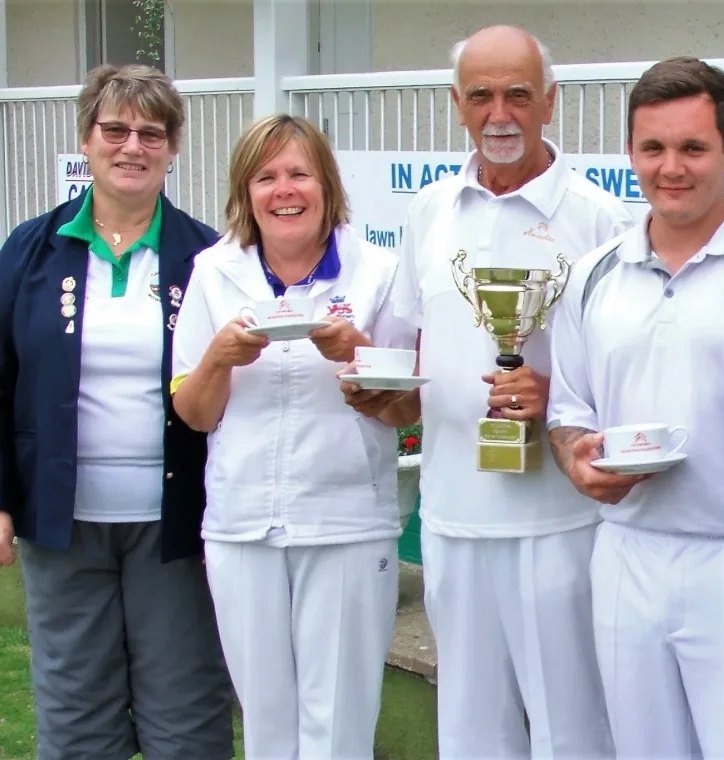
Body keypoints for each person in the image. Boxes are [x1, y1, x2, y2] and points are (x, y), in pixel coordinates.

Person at [344, 24, 631, 758]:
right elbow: (415, 357)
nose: (499, 113)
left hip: (559, 526)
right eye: (481, 96)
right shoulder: (429, 213)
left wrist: (556, 400)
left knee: (574, 730)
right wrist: (385, 396)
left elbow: (623, 378)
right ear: (457, 105)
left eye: (517, 95)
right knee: (470, 731)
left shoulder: (599, 220)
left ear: (550, 103)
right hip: (452, 520)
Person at [0, 64, 234, 760]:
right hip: (61, 524)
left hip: (177, 525)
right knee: (76, 718)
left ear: (172, 148)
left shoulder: (207, 257)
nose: (132, 145)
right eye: (116, 129)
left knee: (186, 715)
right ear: (88, 138)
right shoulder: (28, 251)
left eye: (151, 133)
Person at [171, 114, 416, 760]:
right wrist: (220, 358)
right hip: (242, 525)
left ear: (327, 186)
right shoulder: (213, 273)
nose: (285, 190)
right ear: (245, 193)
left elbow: (405, 410)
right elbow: (195, 413)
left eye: (299, 174)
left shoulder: (377, 273)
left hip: (345, 525)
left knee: (336, 727)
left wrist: (357, 352)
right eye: (266, 176)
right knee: (266, 724)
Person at [548, 56, 724, 757]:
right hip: (627, 554)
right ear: (631, 152)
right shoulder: (594, 274)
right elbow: (569, 409)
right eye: (653, 148)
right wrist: (578, 462)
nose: (672, 167)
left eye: (693, 147)